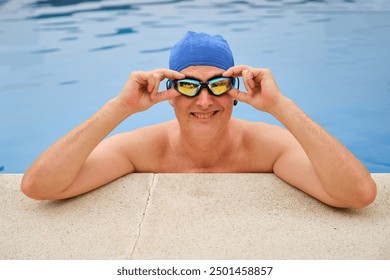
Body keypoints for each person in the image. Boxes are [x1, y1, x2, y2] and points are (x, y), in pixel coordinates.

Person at [21, 31, 377, 208]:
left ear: (235, 91)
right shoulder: (144, 149)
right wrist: (119, 107)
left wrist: (282, 106)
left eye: (218, 84)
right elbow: (40, 187)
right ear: (170, 96)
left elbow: (357, 194)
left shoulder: (267, 147)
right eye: (189, 86)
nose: (204, 100)